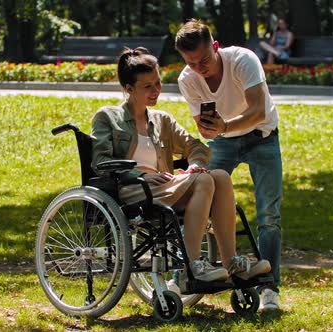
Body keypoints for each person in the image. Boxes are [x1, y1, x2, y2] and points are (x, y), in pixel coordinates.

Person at [91, 47, 271, 290]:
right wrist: (139, 175)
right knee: (205, 180)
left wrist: (196, 163)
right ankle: (191, 267)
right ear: (129, 89)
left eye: (158, 83)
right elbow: (101, 161)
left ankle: (232, 264)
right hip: (131, 190)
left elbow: (195, 146)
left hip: (163, 188)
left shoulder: (161, 121)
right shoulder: (107, 118)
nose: (156, 91)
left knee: (219, 176)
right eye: (148, 87)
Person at [175, 20, 283, 310]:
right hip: (223, 141)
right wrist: (210, 130)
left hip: (262, 136)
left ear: (215, 46)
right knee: (200, 192)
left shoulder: (243, 60)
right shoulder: (187, 80)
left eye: (204, 60)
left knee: (269, 215)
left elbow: (258, 110)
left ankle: (269, 288)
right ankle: (190, 269)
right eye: (191, 63)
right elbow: (203, 127)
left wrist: (223, 127)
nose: (200, 68)